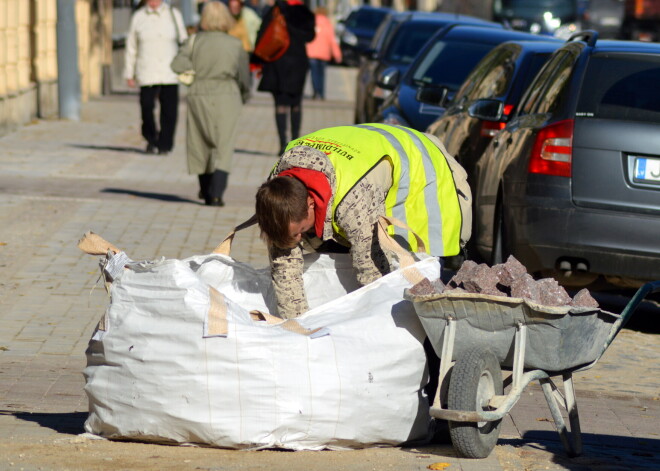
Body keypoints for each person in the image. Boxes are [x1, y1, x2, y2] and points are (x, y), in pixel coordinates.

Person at [255, 124, 471, 318]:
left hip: (424, 165)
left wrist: (374, 327)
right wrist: (297, 327)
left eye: (300, 232)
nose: (299, 239)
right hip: (369, 154)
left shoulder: (353, 201)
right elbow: (284, 266)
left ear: (311, 203)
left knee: (418, 267)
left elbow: (372, 273)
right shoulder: (276, 198)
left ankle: (440, 333)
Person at [171, 1, 251, 207]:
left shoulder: (194, 41)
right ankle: (217, 194)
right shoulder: (235, 44)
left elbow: (176, 64)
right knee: (224, 144)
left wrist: (192, 72)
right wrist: (244, 94)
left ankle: (205, 190)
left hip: (199, 91)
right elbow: (244, 75)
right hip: (227, 93)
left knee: (200, 142)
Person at [124, 0, 187, 155]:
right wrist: (129, 73)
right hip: (147, 70)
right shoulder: (139, 17)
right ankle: (151, 139)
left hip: (169, 71)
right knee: (146, 107)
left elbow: (184, 42)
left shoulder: (173, 15)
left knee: (169, 111)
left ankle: (165, 144)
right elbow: (131, 46)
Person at [254, 0, 315, 154]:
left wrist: (257, 61)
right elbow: (310, 36)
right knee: (295, 104)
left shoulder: (275, 10)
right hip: (297, 62)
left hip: (277, 61)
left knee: (280, 105)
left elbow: (262, 34)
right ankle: (294, 143)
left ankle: (282, 144)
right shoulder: (303, 12)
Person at [306, 6, 342, 100]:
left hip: (312, 53)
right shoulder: (327, 24)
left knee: (314, 74)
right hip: (324, 54)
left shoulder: (311, 22)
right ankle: (321, 92)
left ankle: (316, 91)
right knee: (321, 74)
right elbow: (332, 40)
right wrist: (337, 54)